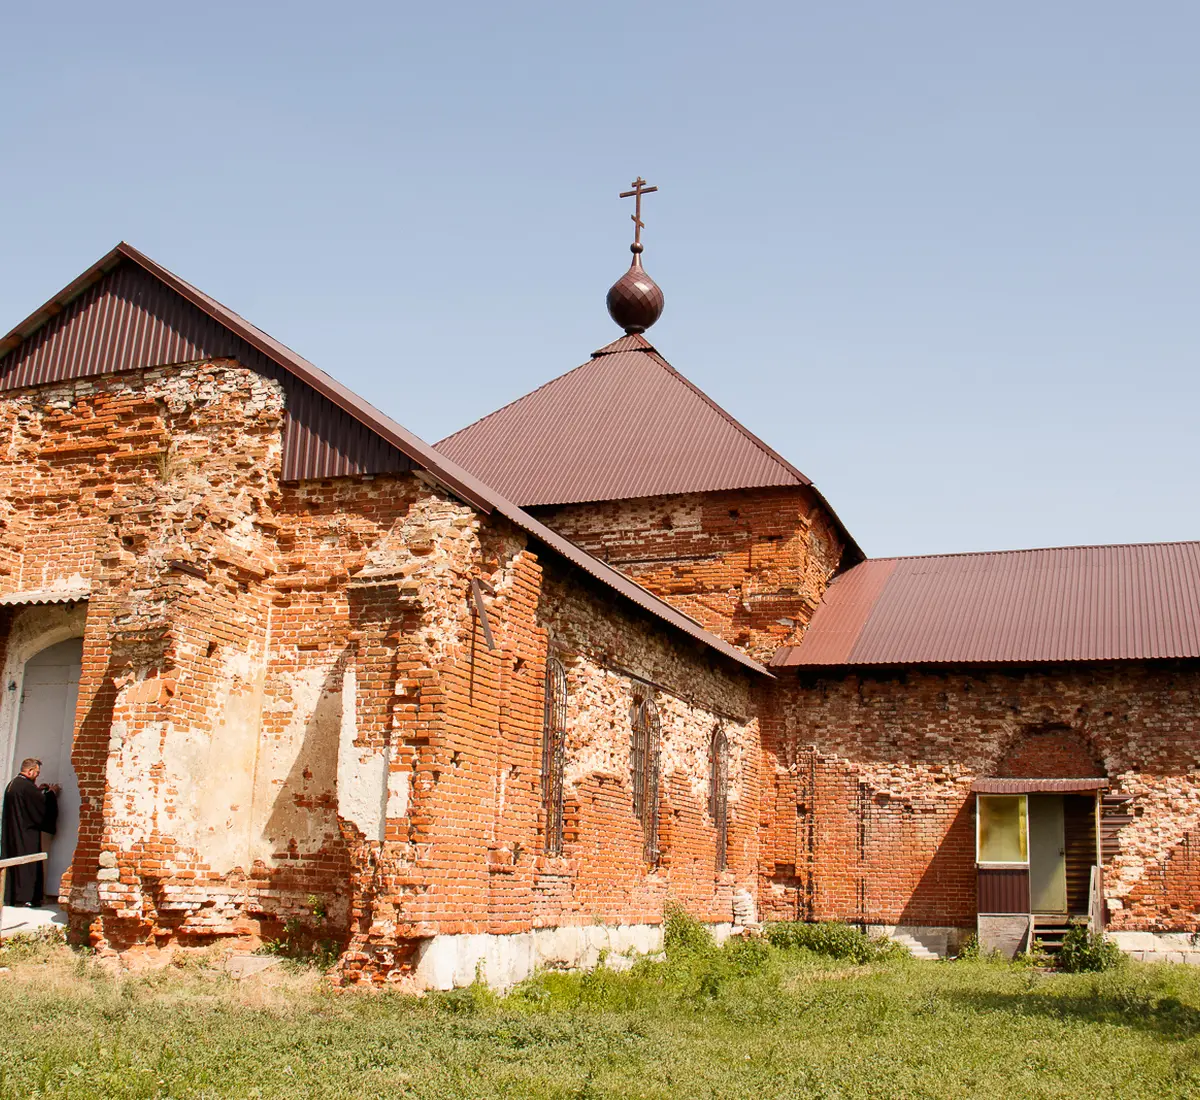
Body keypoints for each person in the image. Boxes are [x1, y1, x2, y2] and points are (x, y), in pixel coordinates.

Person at [2, 757, 59, 907]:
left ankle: (13, 897)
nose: (37, 776)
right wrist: (51, 794)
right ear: (30, 771)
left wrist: (39, 791)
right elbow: (40, 806)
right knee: (29, 864)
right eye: (37, 772)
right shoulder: (27, 787)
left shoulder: (13, 784)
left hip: (13, 833)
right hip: (26, 835)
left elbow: (30, 800)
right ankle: (27, 897)